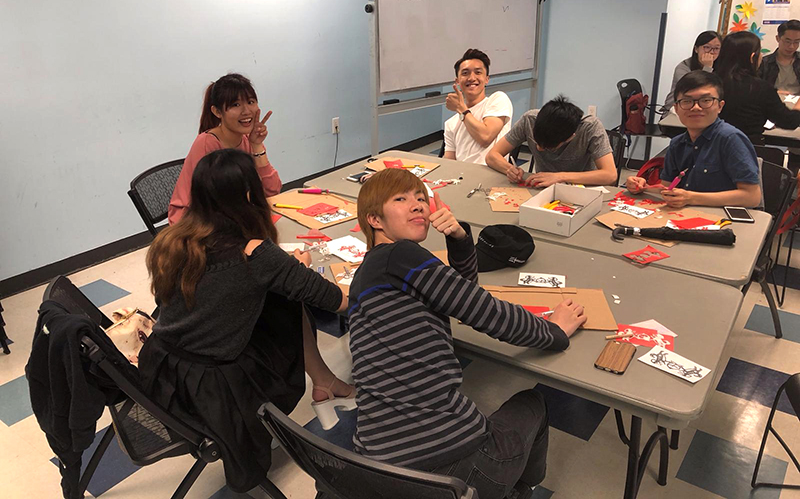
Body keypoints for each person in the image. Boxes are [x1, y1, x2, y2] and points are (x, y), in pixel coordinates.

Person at [347, 168, 587, 499]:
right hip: (450, 475)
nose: (418, 206)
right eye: (401, 199)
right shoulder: (401, 255)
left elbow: (459, 292)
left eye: (421, 198)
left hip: (379, 468)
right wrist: (555, 331)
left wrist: (459, 240)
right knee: (534, 403)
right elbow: (487, 313)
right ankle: (517, 491)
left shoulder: (369, 273)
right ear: (374, 219)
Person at [140, 149, 353, 493]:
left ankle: (326, 382)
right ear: (251, 195)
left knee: (279, 294)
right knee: (287, 300)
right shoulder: (255, 253)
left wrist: (286, 270)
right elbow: (336, 300)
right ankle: (326, 382)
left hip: (162, 374)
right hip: (216, 391)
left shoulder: (174, 240)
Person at [625, 70, 761, 208]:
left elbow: (752, 197)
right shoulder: (677, 144)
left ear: (720, 106)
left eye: (706, 100)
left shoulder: (731, 139)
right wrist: (643, 186)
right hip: (684, 217)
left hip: (719, 220)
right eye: (687, 101)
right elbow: (667, 188)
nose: (696, 107)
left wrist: (691, 198)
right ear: (676, 108)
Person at [168, 73, 281, 224]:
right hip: (194, 222)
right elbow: (209, 205)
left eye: (250, 101)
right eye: (235, 105)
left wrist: (256, 145)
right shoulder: (207, 143)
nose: (246, 111)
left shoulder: (247, 139)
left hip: (232, 216)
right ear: (217, 112)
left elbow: (272, 190)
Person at [485, 95, 617, 187]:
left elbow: (610, 175)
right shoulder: (529, 120)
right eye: (536, 142)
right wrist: (509, 169)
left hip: (582, 190)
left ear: (570, 137)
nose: (539, 149)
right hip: (541, 189)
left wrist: (560, 177)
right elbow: (492, 156)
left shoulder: (590, 127)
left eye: (548, 147)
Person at [714, 31, 800, 141]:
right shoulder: (760, 88)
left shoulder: (708, 82)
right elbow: (789, 121)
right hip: (748, 148)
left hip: (708, 147)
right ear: (752, 57)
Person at [443, 48, 513, 165]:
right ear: (457, 81)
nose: (471, 78)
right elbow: (449, 161)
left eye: (478, 72)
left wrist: (461, 110)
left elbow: (485, 137)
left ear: (486, 79)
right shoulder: (451, 123)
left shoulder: (498, 100)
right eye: (465, 73)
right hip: (462, 177)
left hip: (493, 177)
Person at [663, 30, 722, 111]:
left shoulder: (721, 67)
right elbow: (694, 90)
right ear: (696, 49)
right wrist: (707, 67)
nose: (712, 52)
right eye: (707, 47)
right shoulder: (683, 66)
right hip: (678, 109)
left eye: (716, 48)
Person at [758, 19, 800, 97]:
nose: (791, 46)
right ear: (778, 38)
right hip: (772, 102)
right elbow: (756, 88)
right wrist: (773, 93)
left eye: (796, 42)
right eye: (787, 41)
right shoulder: (765, 63)